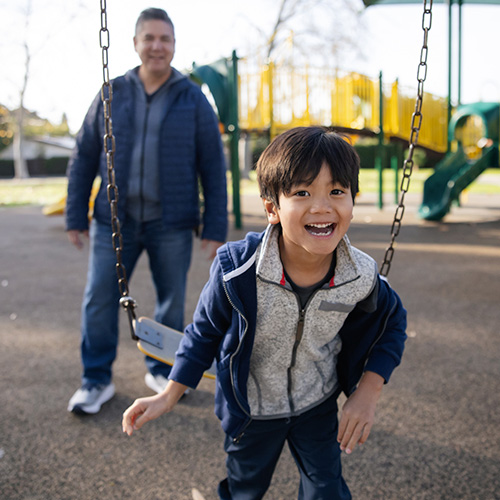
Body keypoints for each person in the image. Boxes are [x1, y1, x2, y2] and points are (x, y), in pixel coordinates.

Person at [122, 126, 407, 499]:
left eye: (337, 191)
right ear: (272, 208)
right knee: (245, 488)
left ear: (353, 199)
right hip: (251, 406)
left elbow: (393, 324)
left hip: (316, 400)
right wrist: (169, 394)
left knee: (327, 490)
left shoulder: (360, 275)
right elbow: (204, 332)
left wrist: (367, 391)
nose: (322, 206)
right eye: (302, 192)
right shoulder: (237, 271)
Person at [66, 8, 227, 415]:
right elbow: (84, 155)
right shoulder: (111, 91)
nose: (157, 46)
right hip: (113, 222)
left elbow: (212, 163)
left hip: (171, 221)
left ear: (174, 45)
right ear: (136, 43)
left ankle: (161, 369)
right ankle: (96, 380)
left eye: (165, 39)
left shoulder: (192, 97)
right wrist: (73, 215)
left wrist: (215, 224)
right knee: (99, 300)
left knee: (171, 302)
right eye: (149, 38)